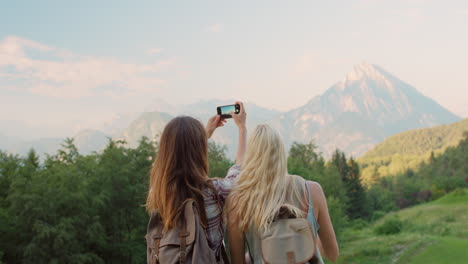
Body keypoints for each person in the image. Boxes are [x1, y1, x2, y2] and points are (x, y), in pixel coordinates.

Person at [145, 101, 247, 261]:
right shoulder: (215, 191)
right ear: (199, 151)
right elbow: (239, 170)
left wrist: (205, 134)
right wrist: (242, 128)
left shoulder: (158, 193)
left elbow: (177, 157)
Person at [226, 124, 339, 263]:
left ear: (250, 156)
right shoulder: (313, 190)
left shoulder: (238, 200)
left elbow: (237, 262)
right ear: (281, 153)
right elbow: (332, 254)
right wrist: (306, 238)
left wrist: (259, 252)